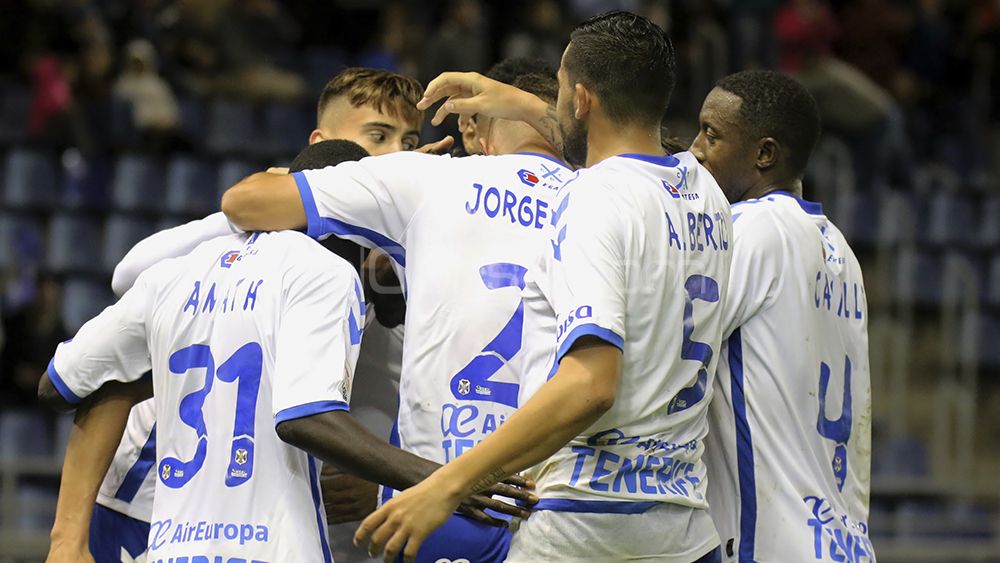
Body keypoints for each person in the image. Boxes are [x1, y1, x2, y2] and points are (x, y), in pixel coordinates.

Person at [357, 10, 735, 563]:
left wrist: (445, 485)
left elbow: (590, 383)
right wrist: (515, 101)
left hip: (589, 520)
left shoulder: (591, 199)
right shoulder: (705, 192)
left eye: (559, 93)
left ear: (580, 100)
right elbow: (620, 138)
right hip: (684, 523)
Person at [40, 140, 529, 563]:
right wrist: (447, 482)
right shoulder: (328, 274)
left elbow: (57, 386)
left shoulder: (174, 275)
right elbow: (303, 418)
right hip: (270, 547)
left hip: (170, 546)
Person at [219, 73, 572, 562]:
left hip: (440, 493)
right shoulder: (604, 194)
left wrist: (366, 182)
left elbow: (242, 203)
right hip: (565, 499)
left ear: (474, 127)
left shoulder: (425, 179)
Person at [688, 70, 874, 562]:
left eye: (711, 133)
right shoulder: (839, 248)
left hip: (771, 542)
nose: (695, 150)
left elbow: (669, 347)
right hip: (842, 542)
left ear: (764, 154)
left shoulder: (751, 229)